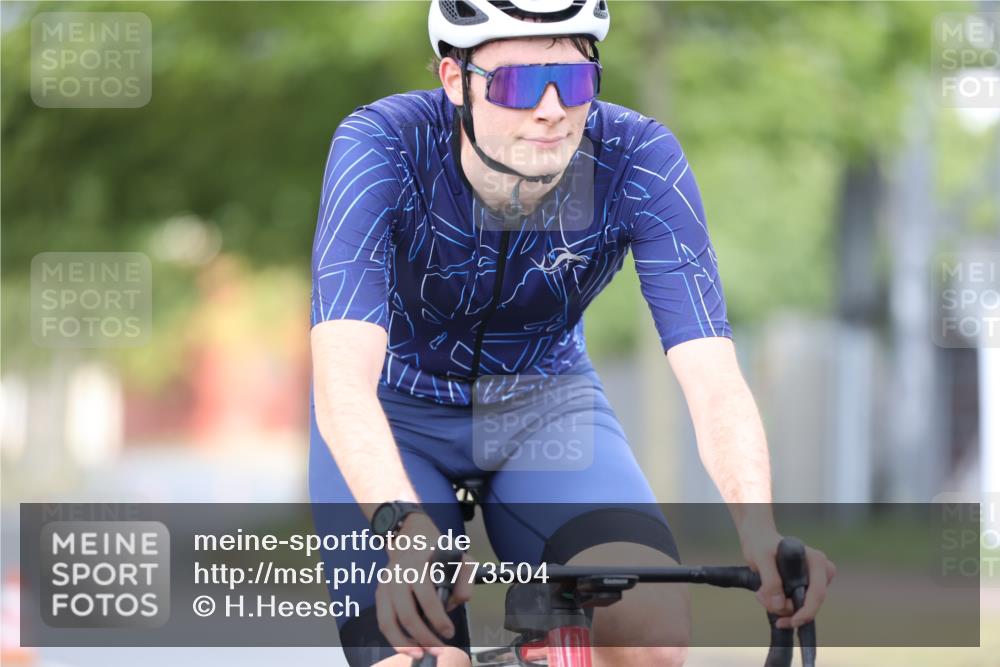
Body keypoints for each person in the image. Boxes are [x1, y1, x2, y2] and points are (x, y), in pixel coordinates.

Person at [309, 1, 836, 665]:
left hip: (544, 406)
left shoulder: (638, 157)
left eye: (577, 81)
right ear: (454, 79)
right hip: (395, 410)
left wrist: (759, 529)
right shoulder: (380, 144)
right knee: (417, 657)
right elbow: (341, 379)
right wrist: (402, 527)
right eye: (521, 83)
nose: (553, 109)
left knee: (653, 634)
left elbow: (711, 375)